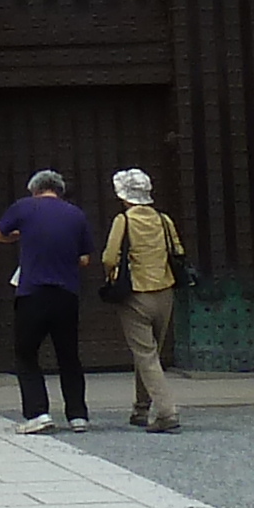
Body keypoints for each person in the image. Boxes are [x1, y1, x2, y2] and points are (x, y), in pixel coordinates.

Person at [0, 168, 96, 430]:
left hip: (32, 292)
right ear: (59, 190)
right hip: (66, 294)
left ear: (34, 189)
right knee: (68, 355)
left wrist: (18, 236)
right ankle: (77, 415)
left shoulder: (24, 208)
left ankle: (38, 413)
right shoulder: (76, 214)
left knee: (26, 353)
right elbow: (84, 259)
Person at [101, 168, 188, 434]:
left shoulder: (123, 220)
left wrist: (112, 277)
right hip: (165, 292)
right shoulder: (164, 219)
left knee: (145, 355)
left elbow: (109, 257)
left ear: (124, 197)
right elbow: (178, 250)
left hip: (136, 294)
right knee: (151, 353)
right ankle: (141, 408)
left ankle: (166, 411)